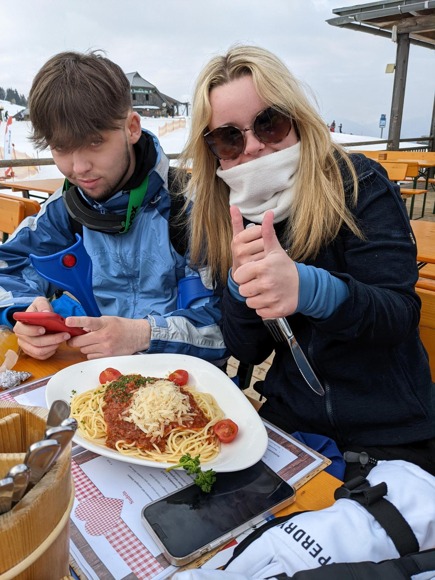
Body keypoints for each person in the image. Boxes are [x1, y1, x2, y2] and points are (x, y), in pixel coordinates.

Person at [177, 44, 435, 479]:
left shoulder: (358, 183)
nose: (253, 147)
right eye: (229, 138)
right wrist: (241, 288)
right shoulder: (225, 211)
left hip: (391, 430)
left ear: (296, 118)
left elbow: (399, 314)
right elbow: (248, 350)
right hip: (292, 423)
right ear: (212, 150)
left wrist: (313, 290)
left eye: (269, 123)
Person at [0, 51, 227, 364]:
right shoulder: (62, 210)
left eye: (95, 142)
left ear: (131, 127)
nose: (79, 168)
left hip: (179, 378)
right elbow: (7, 268)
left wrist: (143, 335)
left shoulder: (191, 207)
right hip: (90, 376)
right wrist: (23, 313)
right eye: (61, 147)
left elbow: (225, 331)